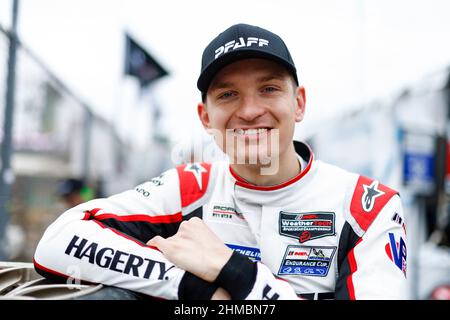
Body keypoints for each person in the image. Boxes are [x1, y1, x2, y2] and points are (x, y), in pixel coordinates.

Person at [33, 23, 407, 300]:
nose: (249, 111)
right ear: (205, 117)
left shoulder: (367, 206)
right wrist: (194, 286)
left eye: (269, 88)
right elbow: (58, 241)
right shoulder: (190, 186)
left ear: (299, 103)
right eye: (228, 94)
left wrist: (234, 271)